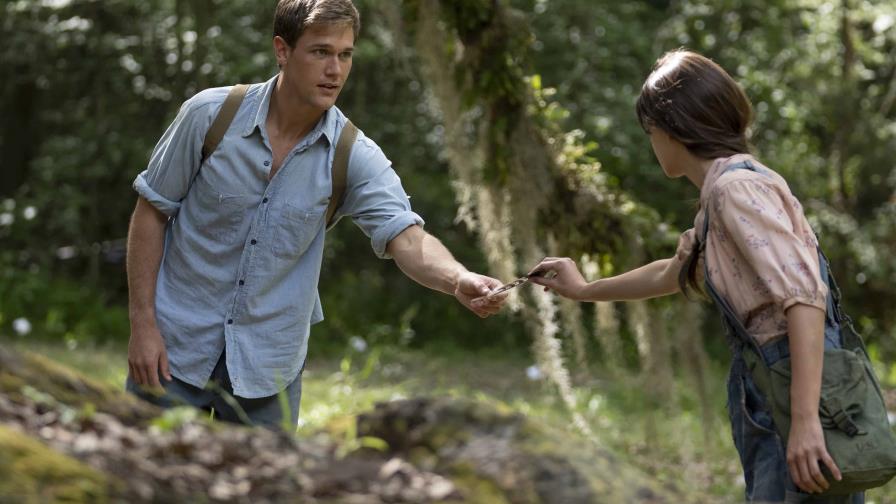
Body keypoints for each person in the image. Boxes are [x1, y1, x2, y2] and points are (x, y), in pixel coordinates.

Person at [125, 0, 507, 431]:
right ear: (282, 51)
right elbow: (152, 212)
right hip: (172, 350)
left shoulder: (352, 155)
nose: (336, 70)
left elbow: (407, 236)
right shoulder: (209, 116)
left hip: (268, 368)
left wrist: (458, 279)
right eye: (321, 52)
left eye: (345, 55)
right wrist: (143, 326)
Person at [527, 50, 862, 503]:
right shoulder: (727, 194)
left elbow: (804, 297)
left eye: (651, 131)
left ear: (673, 128)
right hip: (772, 392)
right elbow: (675, 272)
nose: (652, 142)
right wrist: (585, 289)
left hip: (790, 392)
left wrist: (804, 422)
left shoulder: (735, 190)